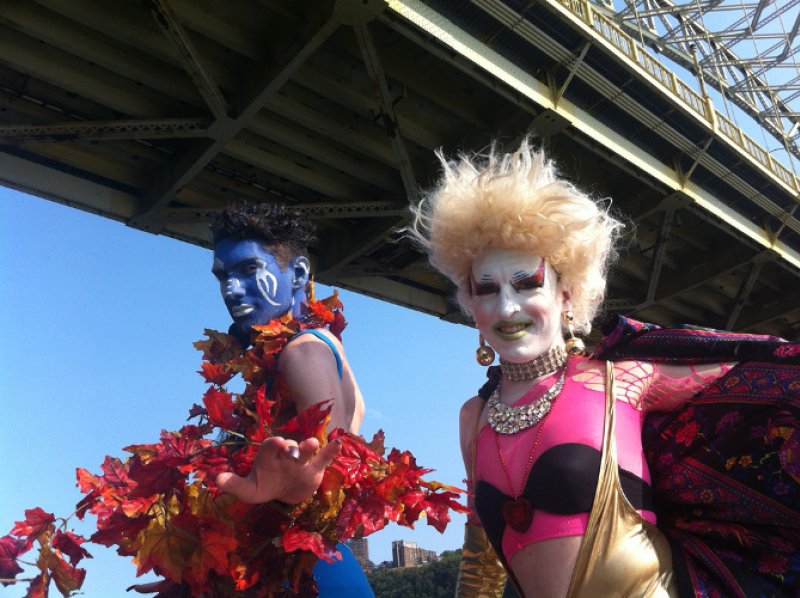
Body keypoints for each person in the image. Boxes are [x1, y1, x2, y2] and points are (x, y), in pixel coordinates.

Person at [407, 138, 799, 597]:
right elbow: (481, 563)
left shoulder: (623, 381)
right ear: (471, 304)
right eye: (487, 290)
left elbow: (772, 383)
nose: (508, 307)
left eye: (526, 284)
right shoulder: (473, 419)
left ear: (565, 294)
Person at [209, 200, 373, 596]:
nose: (231, 288)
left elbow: (331, 487)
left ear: (298, 273)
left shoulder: (301, 352)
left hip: (302, 576)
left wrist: (290, 496)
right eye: (223, 275)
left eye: (249, 269)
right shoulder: (322, 345)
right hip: (306, 569)